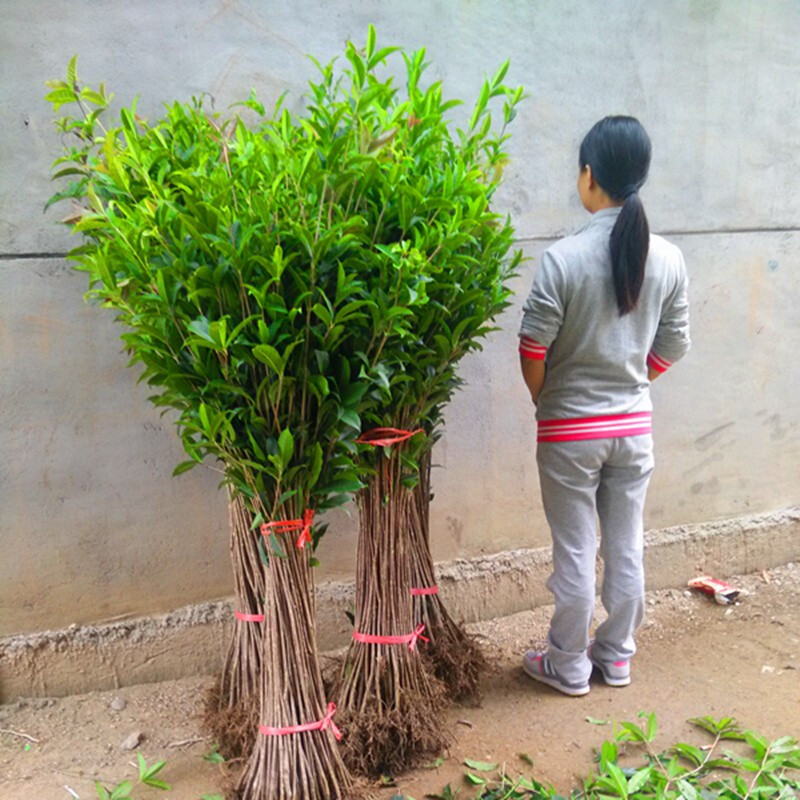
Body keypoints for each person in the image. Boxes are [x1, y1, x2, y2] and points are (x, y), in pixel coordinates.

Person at [518, 116, 690, 696]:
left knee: (575, 552)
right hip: (633, 429)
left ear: (589, 176)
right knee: (625, 547)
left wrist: (548, 399)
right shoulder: (668, 258)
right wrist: (636, 381)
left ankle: (567, 664)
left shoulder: (562, 259)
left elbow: (533, 347)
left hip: (569, 432)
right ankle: (615, 657)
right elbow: (676, 342)